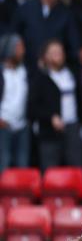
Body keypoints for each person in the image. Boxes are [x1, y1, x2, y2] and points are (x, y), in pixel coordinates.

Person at [29, 40, 82, 170]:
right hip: (49, 132)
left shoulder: (71, 74)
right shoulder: (40, 78)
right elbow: (32, 107)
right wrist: (50, 117)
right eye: (53, 52)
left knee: (76, 167)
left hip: (72, 127)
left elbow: (81, 99)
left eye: (60, 52)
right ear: (45, 56)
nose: (58, 55)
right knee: (50, 170)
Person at [0, 34, 30, 169]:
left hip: (22, 126)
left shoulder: (24, 71)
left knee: (22, 165)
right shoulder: (2, 72)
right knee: (4, 164)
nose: (23, 51)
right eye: (19, 47)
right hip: (3, 125)